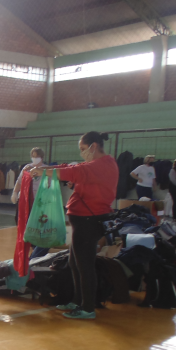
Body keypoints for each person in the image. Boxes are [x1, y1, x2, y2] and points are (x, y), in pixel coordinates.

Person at [31, 131, 118, 320]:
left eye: (83, 149)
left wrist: (44, 171)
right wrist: (46, 168)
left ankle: (87, 308)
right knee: (74, 262)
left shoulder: (101, 165)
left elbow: (73, 172)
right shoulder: (97, 164)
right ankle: (77, 300)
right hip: (84, 221)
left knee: (85, 266)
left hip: (89, 221)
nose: (81, 153)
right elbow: (72, 169)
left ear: (94, 146)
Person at [12, 148, 49, 259]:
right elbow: (19, 182)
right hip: (24, 200)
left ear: (42, 157)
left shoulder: (47, 169)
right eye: (33, 156)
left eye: (36, 156)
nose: (34, 158)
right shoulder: (27, 168)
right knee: (21, 222)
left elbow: (49, 186)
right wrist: (15, 192)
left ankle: (35, 247)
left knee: (36, 225)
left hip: (38, 201)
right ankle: (28, 244)